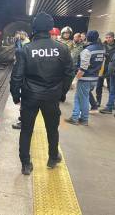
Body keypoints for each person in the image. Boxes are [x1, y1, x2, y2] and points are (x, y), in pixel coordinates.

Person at [10, 12, 72, 175]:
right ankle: (52, 158)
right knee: (52, 128)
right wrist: (62, 92)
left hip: (30, 96)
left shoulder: (26, 49)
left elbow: (17, 76)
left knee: (26, 130)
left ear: (34, 28)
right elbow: (69, 73)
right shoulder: (62, 48)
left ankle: (26, 164)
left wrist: (16, 96)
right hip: (51, 97)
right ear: (50, 28)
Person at [65, 30, 105, 126]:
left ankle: (84, 119)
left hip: (85, 78)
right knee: (79, 97)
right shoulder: (102, 48)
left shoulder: (88, 50)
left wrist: (75, 80)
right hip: (95, 77)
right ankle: (75, 117)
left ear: (88, 37)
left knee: (83, 99)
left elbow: (83, 68)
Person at [97, 32, 115, 108]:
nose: (108, 39)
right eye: (106, 37)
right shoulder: (102, 45)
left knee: (111, 87)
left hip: (111, 69)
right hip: (102, 68)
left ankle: (111, 103)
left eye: (109, 37)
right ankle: (98, 101)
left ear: (113, 37)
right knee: (98, 86)